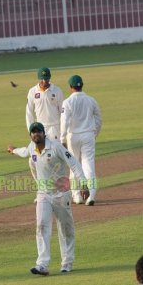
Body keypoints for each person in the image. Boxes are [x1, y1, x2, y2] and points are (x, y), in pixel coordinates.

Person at [7, 122, 88, 276]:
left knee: (65, 229)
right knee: (42, 226)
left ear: (44, 133)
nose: (36, 134)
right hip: (43, 194)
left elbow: (74, 163)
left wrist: (83, 184)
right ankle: (42, 264)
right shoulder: (32, 147)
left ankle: (67, 262)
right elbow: (24, 152)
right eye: (33, 132)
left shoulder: (56, 146)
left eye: (38, 132)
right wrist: (13, 150)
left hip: (61, 193)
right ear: (30, 136)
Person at [60, 75, 102, 206]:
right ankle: (91, 196)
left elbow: (64, 121)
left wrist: (62, 138)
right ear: (82, 85)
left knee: (74, 166)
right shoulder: (91, 100)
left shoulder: (67, 102)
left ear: (71, 87)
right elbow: (98, 119)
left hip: (73, 137)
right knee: (89, 165)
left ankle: (77, 195)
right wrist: (95, 133)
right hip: (88, 135)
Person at [26, 67, 64, 180]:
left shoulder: (57, 91)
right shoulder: (32, 92)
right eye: (42, 79)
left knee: (54, 159)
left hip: (55, 128)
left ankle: (59, 189)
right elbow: (29, 113)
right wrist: (31, 132)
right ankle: (41, 190)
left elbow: (63, 112)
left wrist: (63, 133)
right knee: (33, 161)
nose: (44, 82)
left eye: (46, 79)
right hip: (39, 131)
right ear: (38, 78)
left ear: (49, 78)